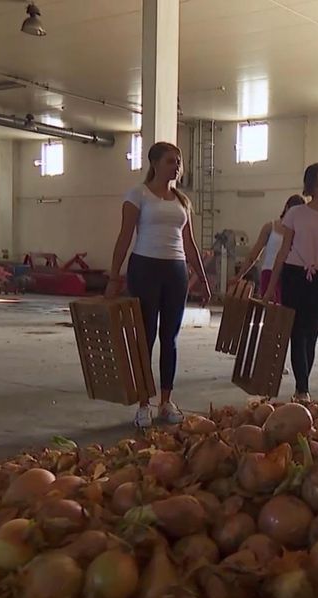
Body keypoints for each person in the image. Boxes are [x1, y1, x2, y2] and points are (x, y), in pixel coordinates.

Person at [105, 141, 211, 429]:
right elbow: (125, 236)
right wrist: (114, 277)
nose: (176, 165)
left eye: (178, 161)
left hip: (175, 270)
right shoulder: (138, 194)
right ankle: (143, 404)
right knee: (145, 337)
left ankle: (166, 401)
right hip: (145, 268)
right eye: (170, 160)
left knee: (170, 338)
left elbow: (189, 243)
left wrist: (201, 277)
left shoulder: (182, 201)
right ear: (154, 164)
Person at [264, 163, 318, 402]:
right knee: (296, 333)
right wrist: (271, 289)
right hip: (294, 275)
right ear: (310, 185)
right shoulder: (295, 214)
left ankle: (303, 386)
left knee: (311, 335)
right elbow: (283, 251)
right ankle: (303, 389)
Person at [240, 194, 307, 303]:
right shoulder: (270, 227)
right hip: (269, 273)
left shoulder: (300, 232)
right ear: (287, 208)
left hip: (289, 275)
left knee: (287, 313)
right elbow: (254, 254)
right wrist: (240, 275)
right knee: (270, 312)